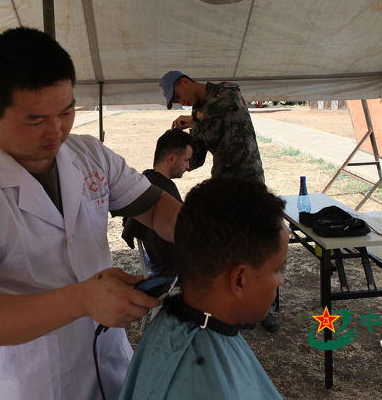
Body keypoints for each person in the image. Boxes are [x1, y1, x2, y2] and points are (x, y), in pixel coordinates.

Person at [0, 27, 182, 400]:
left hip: (110, 365)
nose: (56, 132)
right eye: (35, 120)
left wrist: (202, 232)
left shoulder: (90, 155)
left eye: (66, 111)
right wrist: (83, 300)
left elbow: (156, 208)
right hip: (32, 383)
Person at [118, 177, 288, 400]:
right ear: (239, 280)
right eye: (277, 269)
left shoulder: (180, 331)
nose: (280, 281)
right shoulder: (200, 386)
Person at [158, 71, 280, 332]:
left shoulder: (224, 91)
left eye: (178, 95)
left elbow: (229, 103)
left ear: (186, 82)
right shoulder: (198, 119)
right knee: (229, 242)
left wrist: (194, 119)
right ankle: (235, 302)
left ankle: (265, 307)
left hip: (249, 178)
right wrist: (177, 151)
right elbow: (197, 157)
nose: (180, 102)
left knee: (259, 241)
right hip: (224, 184)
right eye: (176, 101)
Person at [121, 129, 194, 275]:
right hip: (173, 271)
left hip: (157, 265)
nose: (188, 167)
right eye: (186, 160)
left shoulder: (145, 182)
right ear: (171, 158)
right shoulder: (162, 191)